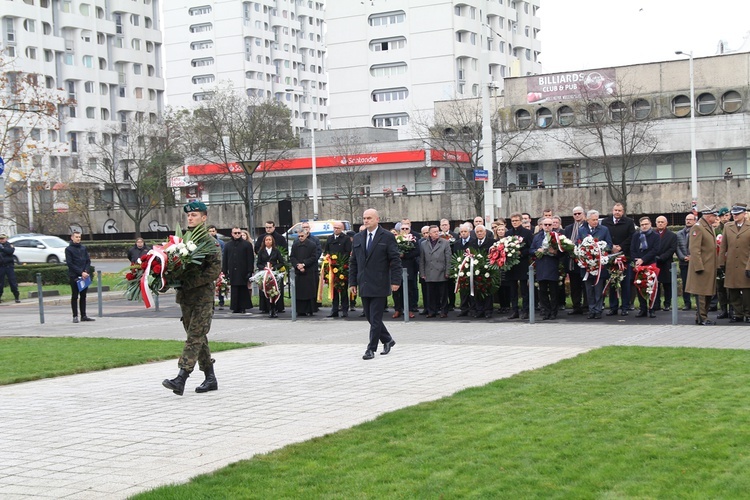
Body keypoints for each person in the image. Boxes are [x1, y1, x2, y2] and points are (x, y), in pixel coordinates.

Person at [162, 201, 222, 395]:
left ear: (204, 218)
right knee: (198, 337)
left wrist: (190, 282)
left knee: (194, 337)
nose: (190, 217)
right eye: (188, 215)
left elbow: (214, 271)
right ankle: (210, 378)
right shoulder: (182, 240)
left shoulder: (209, 242)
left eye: (194, 215)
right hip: (185, 298)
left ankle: (181, 377)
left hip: (202, 298)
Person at [349, 208, 402, 360]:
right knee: (370, 318)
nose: (366, 221)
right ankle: (387, 339)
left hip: (380, 283)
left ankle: (371, 349)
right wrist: (353, 282)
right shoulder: (359, 237)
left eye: (369, 218)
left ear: (377, 219)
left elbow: (395, 260)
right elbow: (353, 262)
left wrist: (396, 281)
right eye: (364, 218)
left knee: (376, 318)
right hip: (364, 283)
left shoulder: (386, 237)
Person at [685, 205, 719, 325]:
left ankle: (702, 316)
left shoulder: (708, 227)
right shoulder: (698, 227)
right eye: (714, 216)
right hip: (702, 267)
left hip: (709, 266)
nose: (716, 218)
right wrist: (699, 266)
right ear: (709, 216)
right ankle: (701, 318)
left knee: (708, 292)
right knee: (701, 294)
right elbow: (695, 249)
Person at [602, 203, 635, 316]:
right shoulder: (606, 222)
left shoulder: (629, 222)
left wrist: (621, 246)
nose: (617, 212)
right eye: (615, 210)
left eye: (619, 210)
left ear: (623, 211)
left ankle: (625, 306)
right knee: (612, 282)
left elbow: (632, 237)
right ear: (612, 210)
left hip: (624, 256)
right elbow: (604, 235)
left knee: (625, 283)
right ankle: (613, 307)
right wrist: (611, 247)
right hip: (611, 256)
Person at [718, 203, 750, 322]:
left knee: (747, 291)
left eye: (737, 214)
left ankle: (748, 313)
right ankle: (738, 314)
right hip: (731, 264)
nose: (735, 216)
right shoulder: (728, 226)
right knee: (733, 290)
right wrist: (720, 264)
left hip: (745, 263)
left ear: (744, 214)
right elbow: (723, 247)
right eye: (733, 214)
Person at [578, 210, 612, 319]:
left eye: (597, 219)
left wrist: (601, 249)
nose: (596, 222)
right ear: (587, 220)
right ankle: (591, 309)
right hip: (587, 265)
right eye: (593, 220)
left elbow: (609, 244)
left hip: (599, 266)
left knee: (598, 289)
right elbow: (578, 244)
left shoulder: (604, 230)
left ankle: (598, 310)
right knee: (589, 289)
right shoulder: (582, 230)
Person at [530, 217, 561, 320]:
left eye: (549, 225)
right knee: (542, 291)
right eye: (545, 225)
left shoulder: (557, 236)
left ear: (553, 226)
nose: (547, 226)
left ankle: (554, 312)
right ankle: (546, 311)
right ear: (541, 226)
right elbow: (531, 250)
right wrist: (537, 250)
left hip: (552, 266)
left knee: (554, 291)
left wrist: (555, 252)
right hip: (541, 267)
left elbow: (563, 252)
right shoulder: (537, 237)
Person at [419, 225, 452, 318]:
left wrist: (447, 272)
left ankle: (444, 311)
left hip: (441, 272)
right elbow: (422, 260)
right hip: (429, 272)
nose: (437, 233)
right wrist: (422, 273)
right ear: (429, 233)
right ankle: (432, 311)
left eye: (438, 231)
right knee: (430, 294)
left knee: (443, 294)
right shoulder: (423, 244)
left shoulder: (445, 243)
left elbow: (448, 258)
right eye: (434, 232)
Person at [630, 217, 660, 318]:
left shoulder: (655, 236)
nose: (644, 226)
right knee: (640, 286)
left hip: (650, 263)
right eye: (642, 225)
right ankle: (643, 309)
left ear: (650, 224)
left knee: (651, 286)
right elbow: (632, 249)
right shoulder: (636, 235)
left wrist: (643, 259)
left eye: (646, 224)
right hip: (639, 265)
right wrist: (636, 260)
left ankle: (652, 309)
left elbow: (655, 250)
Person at [506, 213, 534, 320]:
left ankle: (526, 310)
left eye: (517, 220)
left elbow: (531, 248)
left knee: (524, 290)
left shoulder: (527, 233)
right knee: (513, 290)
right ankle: (514, 310)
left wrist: (521, 253)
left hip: (522, 264)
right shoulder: (508, 233)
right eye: (513, 221)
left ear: (521, 221)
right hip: (511, 265)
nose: (515, 223)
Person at [222, 226, 255, 314]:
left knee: (243, 289)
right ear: (232, 234)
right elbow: (225, 258)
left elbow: (250, 259)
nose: (237, 235)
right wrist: (224, 271)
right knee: (234, 289)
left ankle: (243, 307)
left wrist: (250, 271)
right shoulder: (228, 245)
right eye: (235, 233)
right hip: (232, 270)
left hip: (243, 270)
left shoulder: (247, 244)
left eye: (239, 233)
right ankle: (235, 307)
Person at [323, 221, 352, 318]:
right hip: (332, 267)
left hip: (342, 267)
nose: (336, 229)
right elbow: (326, 251)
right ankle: (334, 310)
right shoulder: (330, 238)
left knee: (343, 289)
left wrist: (340, 262)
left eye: (338, 228)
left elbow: (348, 252)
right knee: (333, 289)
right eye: (334, 228)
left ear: (342, 229)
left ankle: (345, 310)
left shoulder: (346, 239)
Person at [392, 221, 419, 318]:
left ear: (410, 230)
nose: (404, 230)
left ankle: (410, 309)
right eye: (402, 229)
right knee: (396, 290)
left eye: (406, 229)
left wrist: (405, 255)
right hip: (397, 268)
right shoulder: (395, 239)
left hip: (409, 267)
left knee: (410, 290)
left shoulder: (414, 240)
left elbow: (417, 251)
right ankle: (397, 309)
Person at [65, 231, 94, 323]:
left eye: (79, 237)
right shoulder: (69, 249)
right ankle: (75, 316)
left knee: (83, 296)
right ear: (72, 237)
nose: (78, 239)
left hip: (84, 276)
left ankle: (83, 315)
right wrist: (80, 272)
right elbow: (70, 263)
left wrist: (86, 271)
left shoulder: (83, 248)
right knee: (75, 296)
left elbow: (87, 261)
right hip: (74, 276)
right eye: (76, 237)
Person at [564, 206, 588, 315]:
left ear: (584, 214)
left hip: (586, 261)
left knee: (586, 285)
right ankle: (576, 306)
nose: (577, 215)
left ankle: (587, 306)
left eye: (579, 213)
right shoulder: (568, 228)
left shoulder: (588, 226)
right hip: (572, 262)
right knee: (575, 286)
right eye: (575, 214)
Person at [256, 234, 286, 318]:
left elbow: (281, 262)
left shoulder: (276, 251)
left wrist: (274, 267)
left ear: (272, 241)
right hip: (264, 273)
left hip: (274, 273)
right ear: (264, 242)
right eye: (266, 240)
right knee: (266, 290)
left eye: (270, 240)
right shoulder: (261, 251)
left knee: (274, 290)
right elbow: (258, 263)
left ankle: (275, 308)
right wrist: (264, 268)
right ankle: (267, 308)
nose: (268, 241)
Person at [290, 230, 318, 316]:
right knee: (299, 292)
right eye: (299, 236)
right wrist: (297, 265)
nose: (300, 238)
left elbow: (314, 257)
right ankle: (299, 310)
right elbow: (292, 257)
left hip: (308, 271)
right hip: (298, 272)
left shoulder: (312, 245)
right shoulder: (295, 245)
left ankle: (309, 309)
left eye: (302, 236)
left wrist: (304, 264)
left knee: (308, 291)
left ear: (306, 235)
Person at [654, 216, 678, 311]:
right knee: (656, 284)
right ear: (655, 223)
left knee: (667, 285)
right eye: (658, 222)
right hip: (654, 263)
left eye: (662, 222)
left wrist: (662, 258)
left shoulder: (672, 235)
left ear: (666, 223)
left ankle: (667, 303)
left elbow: (672, 249)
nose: (660, 223)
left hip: (666, 263)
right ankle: (656, 304)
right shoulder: (652, 234)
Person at [453, 223, 476, 317]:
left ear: (469, 232)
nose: (463, 233)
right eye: (461, 232)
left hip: (471, 268)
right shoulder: (457, 243)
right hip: (460, 269)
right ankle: (464, 309)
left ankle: (473, 309)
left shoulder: (473, 242)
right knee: (462, 290)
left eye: (465, 231)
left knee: (471, 289)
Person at [676, 213, 696, 310]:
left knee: (696, 284)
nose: (688, 221)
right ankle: (687, 303)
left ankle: (698, 303)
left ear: (695, 221)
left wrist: (693, 257)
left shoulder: (698, 232)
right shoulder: (679, 234)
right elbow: (677, 247)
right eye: (687, 219)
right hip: (683, 262)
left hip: (695, 262)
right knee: (685, 284)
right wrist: (683, 257)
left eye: (690, 219)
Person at [208, 225, 225, 310]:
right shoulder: (206, 243)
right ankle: (211, 303)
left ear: (216, 231)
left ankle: (221, 302)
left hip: (219, 267)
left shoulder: (221, 243)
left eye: (213, 231)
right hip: (210, 268)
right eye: (210, 231)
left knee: (220, 285)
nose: (212, 233)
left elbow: (223, 254)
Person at [0, 233, 21, 304]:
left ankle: (16, 297)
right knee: (0, 284)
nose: (1, 240)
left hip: (9, 266)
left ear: (6, 238)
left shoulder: (9, 245)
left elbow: (10, 251)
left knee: (13, 283)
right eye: (0, 239)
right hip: (1, 267)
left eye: (3, 239)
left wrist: (2, 249)